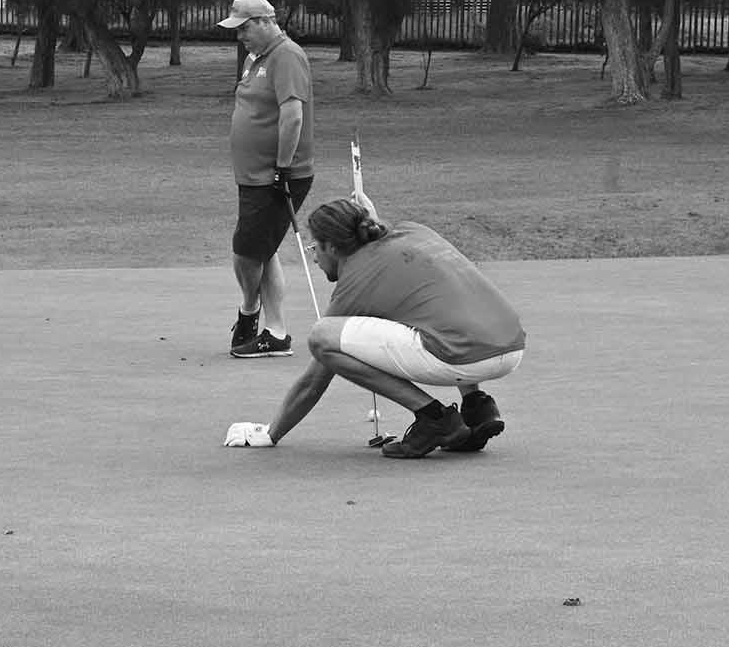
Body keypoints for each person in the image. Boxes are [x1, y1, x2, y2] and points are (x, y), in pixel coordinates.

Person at [225, 197, 526, 459]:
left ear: (333, 246)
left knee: (322, 336)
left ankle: (434, 418)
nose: (314, 257)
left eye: (316, 247)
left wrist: (271, 433)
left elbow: (314, 379)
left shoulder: (355, 280)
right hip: (511, 347)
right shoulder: (413, 231)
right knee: (432, 309)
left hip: (462, 357)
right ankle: (477, 407)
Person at [219, 0, 315, 358]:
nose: (240, 36)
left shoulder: (287, 56)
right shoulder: (254, 57)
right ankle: (275, 334)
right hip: (254, 174)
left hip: (277, 174)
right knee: (264, 249)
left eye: (244, 28)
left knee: (246, 251)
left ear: (264, 21)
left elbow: (293, 115)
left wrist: (281, 168)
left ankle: (249, 312)